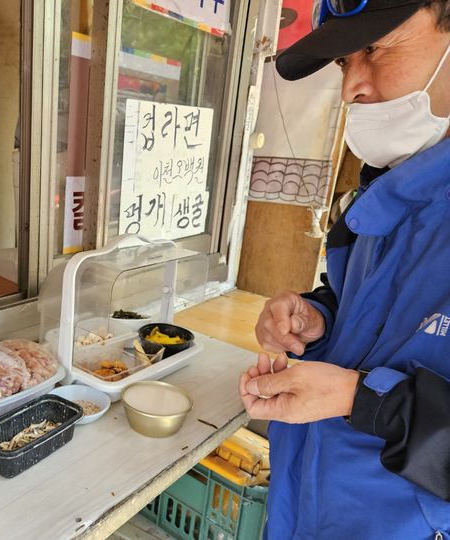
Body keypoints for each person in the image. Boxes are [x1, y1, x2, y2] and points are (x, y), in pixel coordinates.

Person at [237, 0, 450, 537]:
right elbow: (371, 310)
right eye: (342, 62)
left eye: (375, 49)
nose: (352, 86)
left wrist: (364, 400)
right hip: (306, 503)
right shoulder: (388, 189)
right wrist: (319, 315)